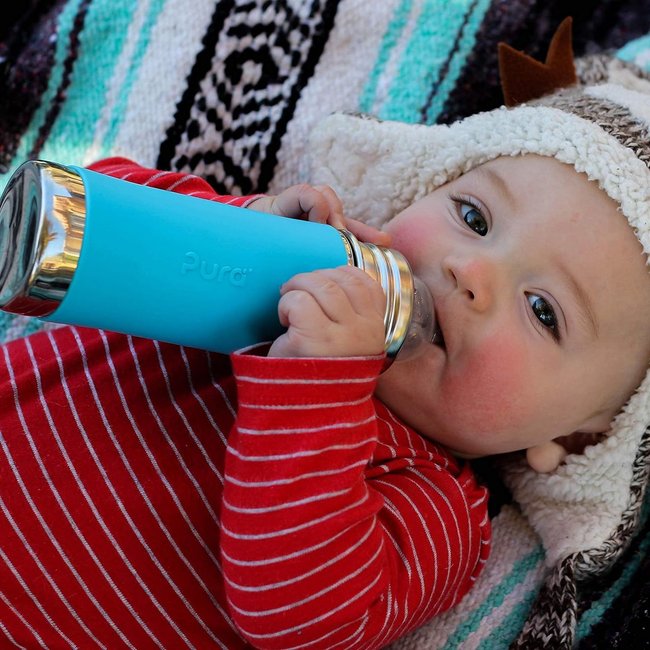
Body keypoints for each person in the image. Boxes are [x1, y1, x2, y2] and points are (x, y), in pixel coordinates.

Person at [2, 24, 650, 650]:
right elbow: (94, 208)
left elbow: (302, 622)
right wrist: (240, 227)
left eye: (542, 309)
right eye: (474, 216)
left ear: (578, 440)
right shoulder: (279, 270)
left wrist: (315, 390)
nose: (470, 271)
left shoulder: (438, 509)